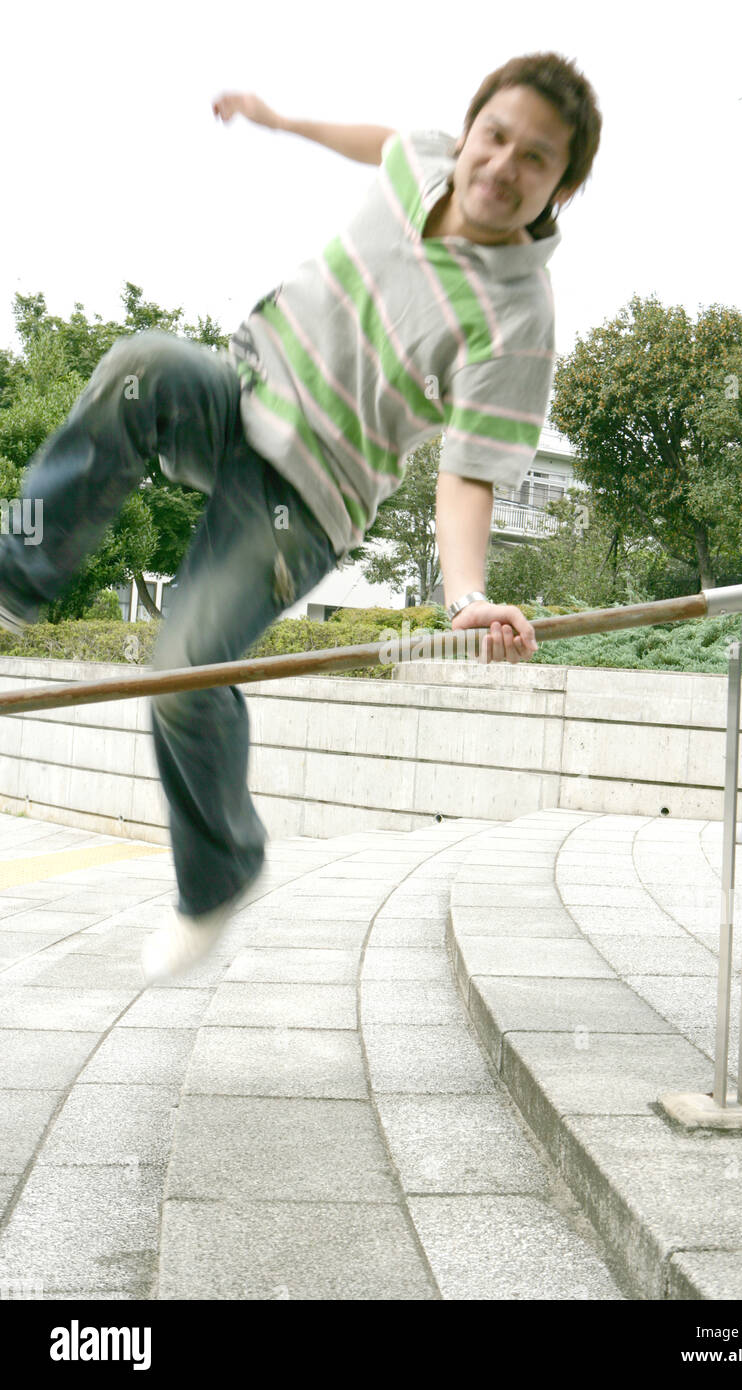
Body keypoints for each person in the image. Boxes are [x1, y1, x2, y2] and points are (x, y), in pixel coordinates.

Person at [0, 52, 602, 984]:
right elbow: (380, 143)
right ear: (468, 128)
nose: (502, 167)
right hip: (240, 398)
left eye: (537, 159)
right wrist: (282, 122)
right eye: (496, 137)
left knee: (183, 670)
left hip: (304, 500)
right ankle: (13, 579)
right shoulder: (423, 158)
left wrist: (468, 594)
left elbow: (469, 473)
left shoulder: (518, 316)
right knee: (141, 363)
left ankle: (218, 872)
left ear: (562, 184)